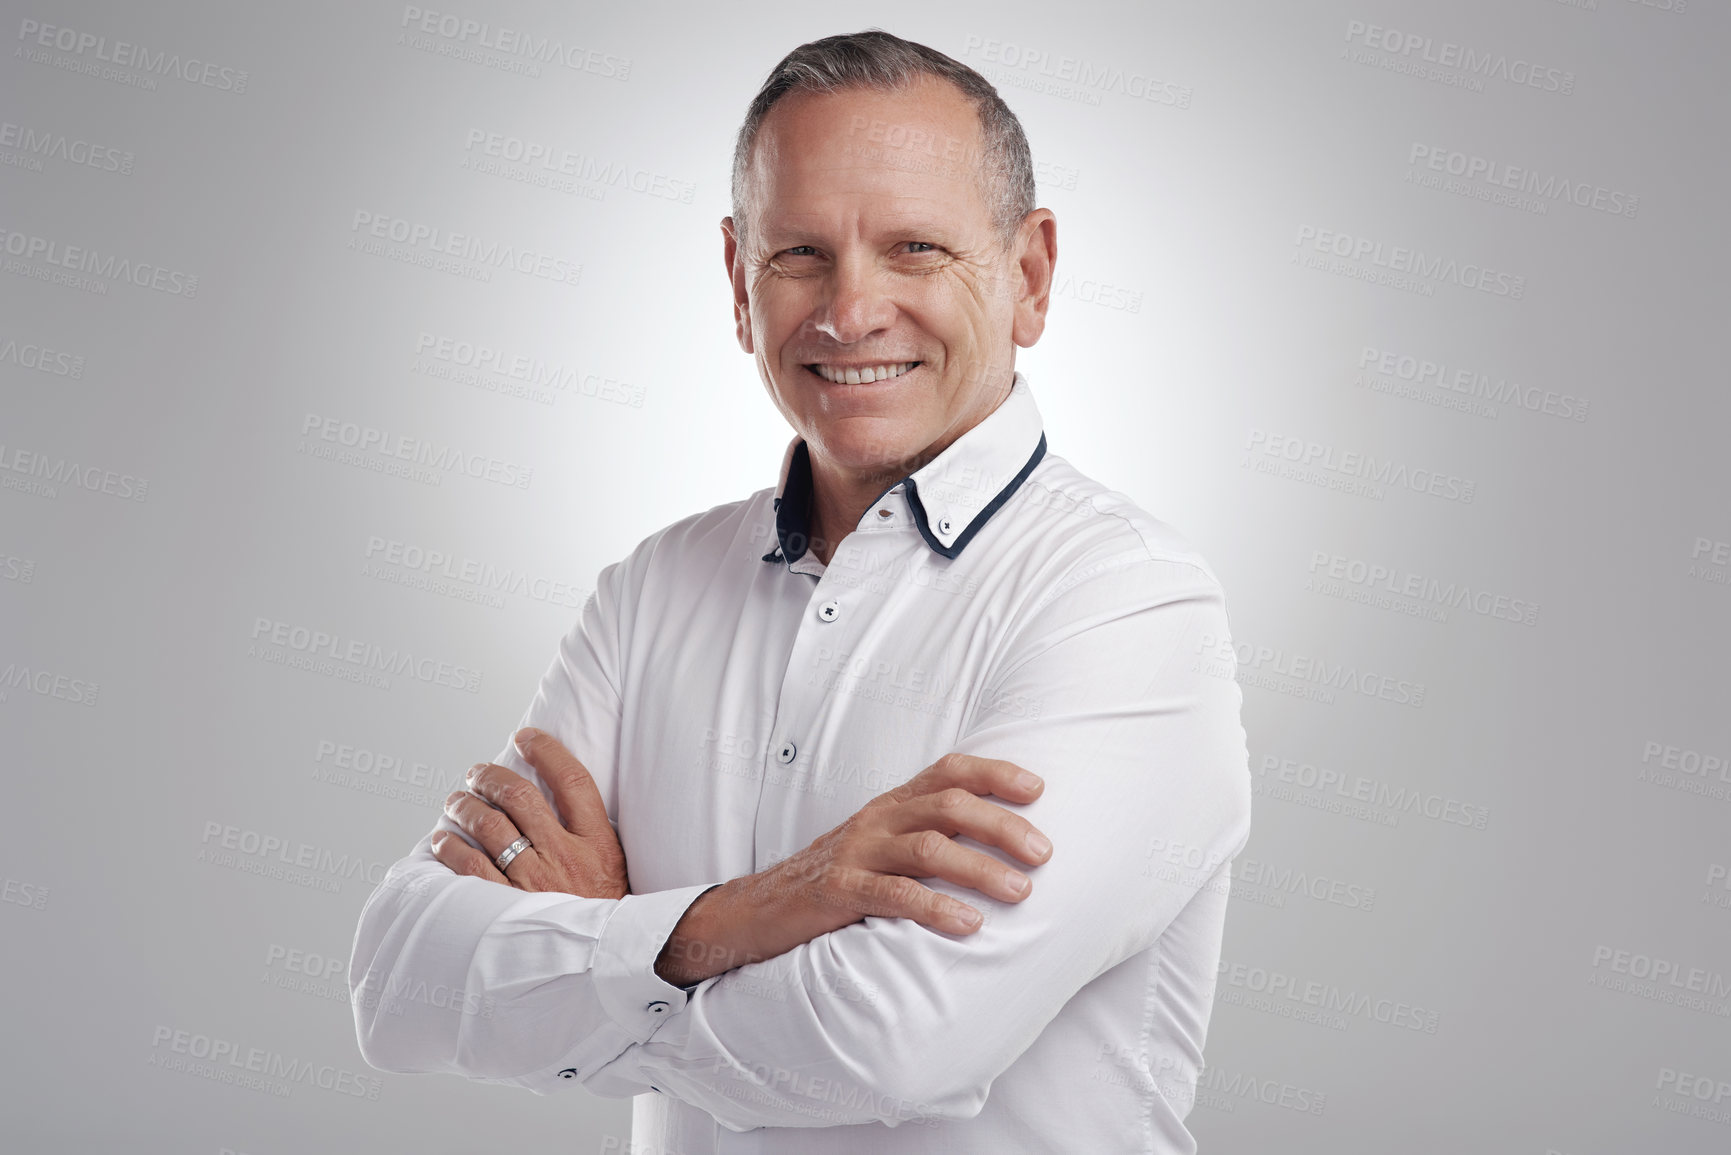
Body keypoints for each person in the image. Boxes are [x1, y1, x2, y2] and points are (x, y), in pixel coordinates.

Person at [349, 29, 1251, 1153]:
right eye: (801, 255)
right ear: (739, 282)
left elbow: (891, 1044)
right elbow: (398, 985)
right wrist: (758, 912)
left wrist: (599, 957)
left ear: (1027, 276)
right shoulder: (651, 592)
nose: (850, 310)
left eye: (916, 248)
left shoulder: (1126, 604)